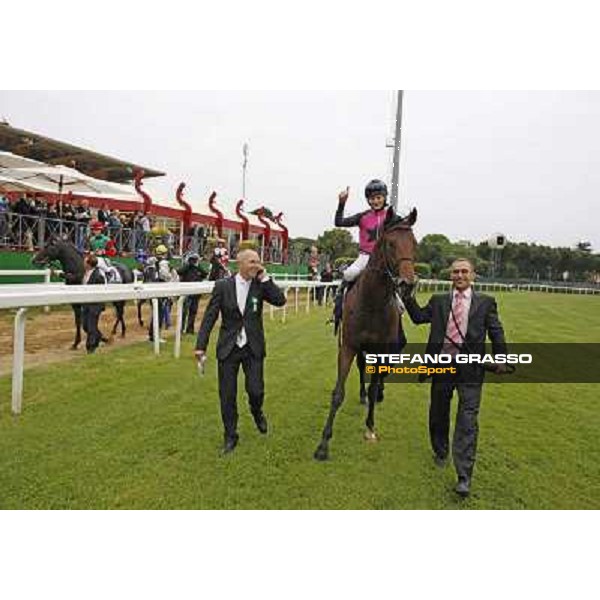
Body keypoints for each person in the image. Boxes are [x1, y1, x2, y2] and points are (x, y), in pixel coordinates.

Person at [404, 258, 508, 498]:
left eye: (464, 271)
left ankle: (464, 476)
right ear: (450, 276)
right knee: (438, 412)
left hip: (471, 370)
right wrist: (408, 297)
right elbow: (419, 318)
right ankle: (441, 450)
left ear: (473, 275)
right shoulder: (439, 301)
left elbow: (496, 331)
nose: (460, 275)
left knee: (467, 420)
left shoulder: (486, 302)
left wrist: (503, 358)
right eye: (455, 272)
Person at [195, 249, 287, 455]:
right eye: (253, 261)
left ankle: (257, 411)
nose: (257, 264)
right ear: (241, 264)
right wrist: (201, 345)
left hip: (253, 347)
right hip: (229, 348)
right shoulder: (222, 286)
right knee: (227, 395)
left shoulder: (260, 285)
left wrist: (265, 277)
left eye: (259, 261)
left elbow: (280, 301)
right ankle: (230, 435)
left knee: (256, 390)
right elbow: (210, 317)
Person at [331, 180, 396, 325]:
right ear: (368, 200)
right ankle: (338, 308)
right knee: (348, 274)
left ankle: (399, 306)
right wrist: (341, 203)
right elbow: (339, 222)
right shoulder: (363, 216)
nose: (375, 201)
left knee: (398, 279)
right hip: (365, 257)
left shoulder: (391, 216)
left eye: (378, 197)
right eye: (372, 198)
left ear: (384, 197)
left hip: (384, 259)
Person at [177, 252, 208, 334]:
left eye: (195, 260)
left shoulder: (198, 268)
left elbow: (205, 274)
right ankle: (181, 329)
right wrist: (188, 265)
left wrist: (197, 267)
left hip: (195, 294)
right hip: (186, 293)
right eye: (192, 260)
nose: (193, 262)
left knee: (193, 312)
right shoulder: (186, 267)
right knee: (184, 312)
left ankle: (190, 329)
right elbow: (179, 272)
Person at [82, 254, 107, 354]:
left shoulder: (98, 276)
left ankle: (90, 348)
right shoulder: (85, 273)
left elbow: (101, 293)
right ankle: (99, 337)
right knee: (85, 326)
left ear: (89, 264)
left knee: (91, 327)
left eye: (85, 261)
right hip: (86, 304)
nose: (83, 262)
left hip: (95, 305)